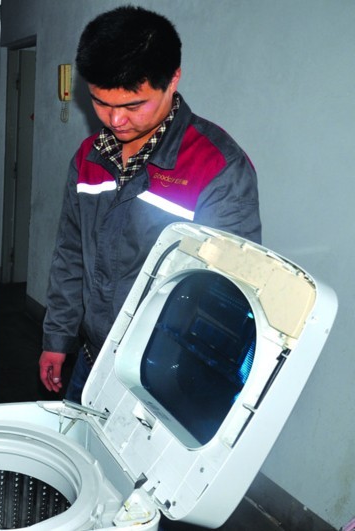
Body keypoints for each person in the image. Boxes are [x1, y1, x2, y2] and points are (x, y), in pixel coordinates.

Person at [39, 6, 261, 402]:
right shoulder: (89, 158)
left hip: (162, 377)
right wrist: (57, 337)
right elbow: (71, 255)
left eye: (132, 106)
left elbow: (228, 293)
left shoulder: (217, 167)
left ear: (173, 79)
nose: (115, 120)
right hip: (91, 359)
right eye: (101, 102)